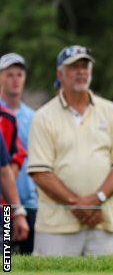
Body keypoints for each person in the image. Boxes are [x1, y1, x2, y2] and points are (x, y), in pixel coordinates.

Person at [27, 45, 113, 256]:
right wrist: (79, 205)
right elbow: (40, 172)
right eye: (73, 67)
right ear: (60, 74)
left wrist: (96, 201)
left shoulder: (111, 112)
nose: (81, 72)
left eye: (85, 66)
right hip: (56, 227)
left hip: (101, 223)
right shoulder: (43, 116)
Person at [0, 52, 38, 253]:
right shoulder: (3, 116)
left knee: (28, 261)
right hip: (4, 206)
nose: (15, 80)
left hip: (29, 202)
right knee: (6, 260)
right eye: (9, 75)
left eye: (19, 75)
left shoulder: (35, 117)